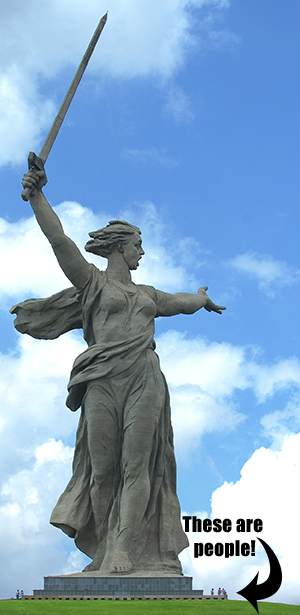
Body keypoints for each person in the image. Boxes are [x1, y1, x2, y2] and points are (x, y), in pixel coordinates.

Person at [14, 169, 225, 575]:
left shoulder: (148, 295)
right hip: (101, 381)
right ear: (119, 248)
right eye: (138, 245)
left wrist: (201, 297)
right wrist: (38, 196)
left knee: (137, 465)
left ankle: (124, 551)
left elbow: (181, 302)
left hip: (143, 376)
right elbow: (60, 241)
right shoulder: (92, 284)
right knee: (102, 468)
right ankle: (104, 547)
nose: (142, 253)